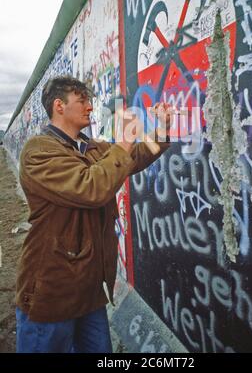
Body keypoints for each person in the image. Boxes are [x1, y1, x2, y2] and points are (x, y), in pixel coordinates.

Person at [15, 75, 172, 353]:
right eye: (82, 100)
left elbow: (132, 157)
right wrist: (123, 142)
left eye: (89, 100)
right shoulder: (38, 151)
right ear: (59, 106)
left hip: (89, 290)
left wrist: (162, 130)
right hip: (52, 293)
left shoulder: (90, 147)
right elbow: (91, 188)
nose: (90, 106)